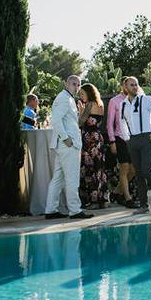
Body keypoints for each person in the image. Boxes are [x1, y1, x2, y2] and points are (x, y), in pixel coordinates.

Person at [45, 75, 92, 220]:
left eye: (78, 85)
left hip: (65, 146)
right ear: (66, 83)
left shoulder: (69, 98)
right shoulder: (64, 98)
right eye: (73, 84)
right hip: (67, 146)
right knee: (71, 178)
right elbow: (56, 120)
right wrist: (66, 139)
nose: (76, 87)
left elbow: (70, 121)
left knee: (58, 178)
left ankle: (51, 209)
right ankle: (75, 210)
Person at [120, 76, 151, 213]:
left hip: (147, 138)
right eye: (131, 85)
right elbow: (121, 121)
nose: (134, 87)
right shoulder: (123, 104)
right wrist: (126, 137)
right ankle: (143, 205)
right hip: (133, 140)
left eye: (136, 84)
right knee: (138, 173)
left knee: (146, 170)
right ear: (125, 87)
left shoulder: (146, 99)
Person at [77, 83, 107, 209]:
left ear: (88, 93)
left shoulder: (89, 105)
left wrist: (81, 111)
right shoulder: (100, 104)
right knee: (98, 168)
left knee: (90, 168)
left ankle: (92, 201)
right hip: (98, 138)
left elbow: (80, 122)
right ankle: (101, 199)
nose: (81, 96)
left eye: (82, 94)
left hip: (89, 140)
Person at [106, 77, 135, 206]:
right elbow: (109, 123)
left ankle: (116, 192)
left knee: (133, 170)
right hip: (120, 138)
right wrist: (112, 141)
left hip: (134, 138)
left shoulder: (136, 99)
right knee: (124, 168)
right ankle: (128, 198)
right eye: (127, 84)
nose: (129, 86)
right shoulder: (114, 101)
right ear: (122, 85)